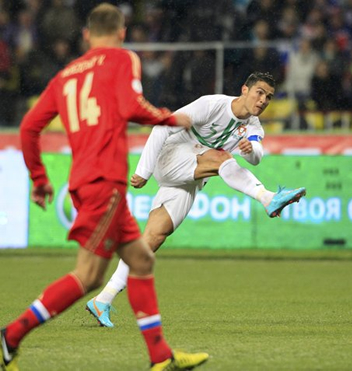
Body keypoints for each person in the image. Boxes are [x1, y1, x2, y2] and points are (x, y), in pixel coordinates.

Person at [1, 4, 208, 371]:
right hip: (104, 182)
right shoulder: (122, 58)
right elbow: (131, 105)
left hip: (85, 180)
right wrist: (168, 117)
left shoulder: (66, 75)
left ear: (85, 35)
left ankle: (161, 358)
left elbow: (29, 127)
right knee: (88, 276)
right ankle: (10, 337)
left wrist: (39, 179)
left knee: (141, 260)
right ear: (122, 32)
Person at [85, 71, 306, 328]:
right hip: (172, 157)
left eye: (268, 97)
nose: (263, 100)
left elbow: (256, 155)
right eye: (259, 92)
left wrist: (250, 150)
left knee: (154, 237)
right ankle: (268, 198)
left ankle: (103, 299)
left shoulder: (254, 126)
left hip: (191, 175)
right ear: (244, 89)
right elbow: (163, 126)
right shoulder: (212, 105)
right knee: (222, 158)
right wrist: (143, 171)